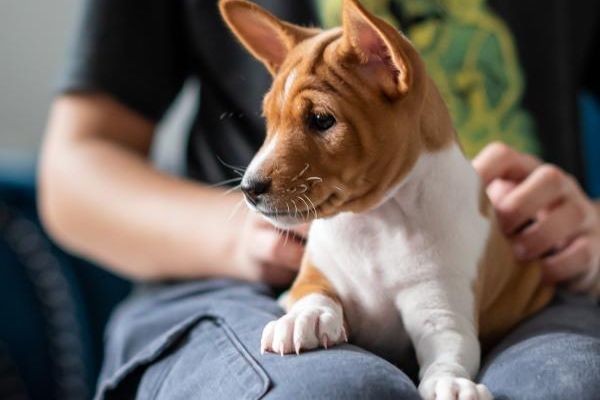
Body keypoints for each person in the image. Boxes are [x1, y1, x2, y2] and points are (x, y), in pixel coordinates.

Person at [38, 0, 600, 398]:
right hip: (235, 283)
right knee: (328, 391)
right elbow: (71, 173)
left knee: (566, 386)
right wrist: (240, 236)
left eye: (320, 120)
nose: (255, 173)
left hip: (535, 282)